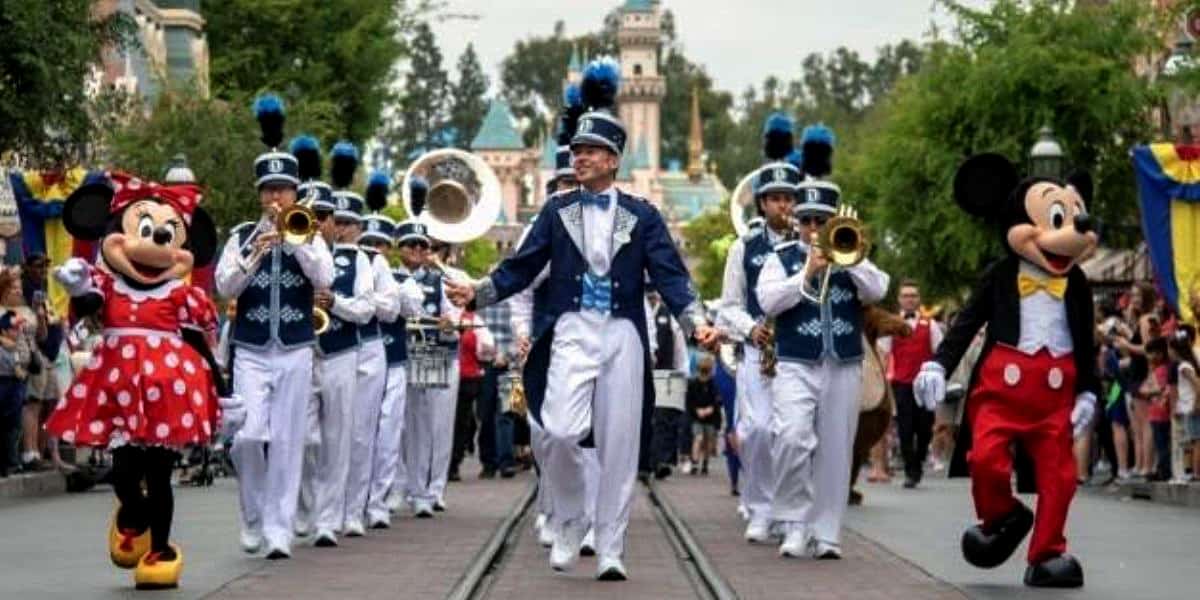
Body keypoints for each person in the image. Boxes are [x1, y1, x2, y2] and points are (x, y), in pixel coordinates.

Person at [445, 57, 718, 581]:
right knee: (560, 434)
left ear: (614, 159)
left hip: (623, 334)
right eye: (577, 151)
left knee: (617, 445)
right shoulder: (556, 211)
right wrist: (477, 294)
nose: (580, 157)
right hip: (570, 330)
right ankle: (568, 520)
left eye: (591, 151)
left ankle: (611, 546)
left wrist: (692, 320)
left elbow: (672, 276)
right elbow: (521, 269)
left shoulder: (643, 215)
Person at [47, 170, 226, 589]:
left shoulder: (182, 295)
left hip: (166, 393)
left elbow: (198, 342)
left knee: (160, 473)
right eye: (144, 230)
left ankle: (159, 549)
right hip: (119, 391)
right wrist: (76, 289)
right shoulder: (108, 286)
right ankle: (134, 512)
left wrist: (223, 389)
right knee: (125, 471)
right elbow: (89, 305)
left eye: (166, 234)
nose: (154, 244)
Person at [756, 136, 889, 559]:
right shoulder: (781, 258)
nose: (813, 229)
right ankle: (794, 522)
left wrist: (851, 258)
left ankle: (827, 531)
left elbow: (878, 289)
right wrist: (807, 274)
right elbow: (768, 301)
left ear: (833, 222)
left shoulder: (851, 257)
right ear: (795, 219)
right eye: (807, 220)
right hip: (796, 361)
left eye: (821, 221)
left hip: (843, 363)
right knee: (793, 438)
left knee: (835, 448)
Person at [215, 95, 334, 559]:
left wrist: (298, 240)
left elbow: (324, 278)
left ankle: (280, 528)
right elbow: (226, 285)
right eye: (268, 191)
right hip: (250, 347)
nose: (274, 199)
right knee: (246, 435)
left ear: (295, 193)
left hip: (297, 347)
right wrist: (257, 250)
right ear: (259, 193)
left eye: (283, 190)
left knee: (288, 440)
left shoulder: (309, 232)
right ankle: (252, 516)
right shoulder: (242, 234)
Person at [715, 112, 802, 543]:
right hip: (758, 351)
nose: (785, 206)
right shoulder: (743, 246)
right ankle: (760, 505)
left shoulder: (809, 246)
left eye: (790, 198)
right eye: (776, 199)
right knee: (756, 432)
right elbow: (728, 306)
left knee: (793, 434)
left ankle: (786, 507)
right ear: (762, 204)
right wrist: (751, 329)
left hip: (799, 352)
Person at [361, 186, 425, 531]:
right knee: (359, 434)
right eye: (368, 244)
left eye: (379, 245)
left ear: (388, 249)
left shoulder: (403, 278)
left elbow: (414, 307)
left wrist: (392, 286)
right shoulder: (351, 271)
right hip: (359, 361)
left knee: (388, 434)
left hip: (395, 362)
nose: (373, 250)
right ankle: (355, 499)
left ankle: (379, 501)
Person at [877, 279, 944, 488]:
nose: (909, 299)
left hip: (925, 384)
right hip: (901, 383)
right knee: (905, 428)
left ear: (919, 299)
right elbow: (883, 353)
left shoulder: (930, 324)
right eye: (905, 295)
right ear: (899, 300)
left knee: (924, 428)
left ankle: (920, 459)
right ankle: (910, 471)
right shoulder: (892, 323)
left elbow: (940, 351)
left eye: (913, 295)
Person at [449, 307, 494, 481]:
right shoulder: (470, 319)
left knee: (461, 423)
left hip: (466, 378)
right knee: (455, 422)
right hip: (452, 376)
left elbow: (486, 349)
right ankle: (448, 464)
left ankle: (453, 463)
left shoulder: (474, 320)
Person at [0, 310, 30, 478]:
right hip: (3, 384)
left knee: (13, 427)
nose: (17, 331)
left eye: (18, 328)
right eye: (13, 329)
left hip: (15, 387)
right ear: (3, 330)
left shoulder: (18, 345)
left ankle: (11, 462)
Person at [1168, 327, 1200, 482]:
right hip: (1186, 407)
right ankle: (1190, 472)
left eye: (1170, 349)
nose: (1169, 352)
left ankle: (1195, 472)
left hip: (1191, 408)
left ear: (1177, 350)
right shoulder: (1186, 365)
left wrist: (1195, 405)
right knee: (1191, 442)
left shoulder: (1184, 367)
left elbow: (1197, 386)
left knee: (1195, 441)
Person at [686, 354, 722, 475]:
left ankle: (705, 462)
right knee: (699, 437)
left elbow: (717, 400)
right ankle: (695, 462)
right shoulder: (693, 384)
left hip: (710, 417)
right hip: (698, 417)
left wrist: (710, 409)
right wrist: (697, 410)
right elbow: (689, 401)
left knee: (707, 441)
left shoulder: (713, 384)